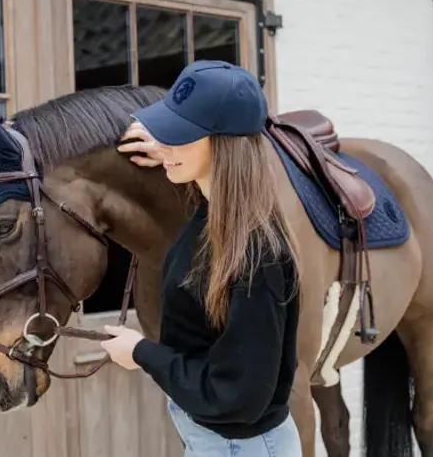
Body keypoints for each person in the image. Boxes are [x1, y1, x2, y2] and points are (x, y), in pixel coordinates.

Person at [100, 60, 303, 456]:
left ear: (223, 146)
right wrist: (172, 152)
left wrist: (141, 352)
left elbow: (238, 395)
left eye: (181, 135)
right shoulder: (211, 216)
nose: (165, 143)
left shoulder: (256, 255)